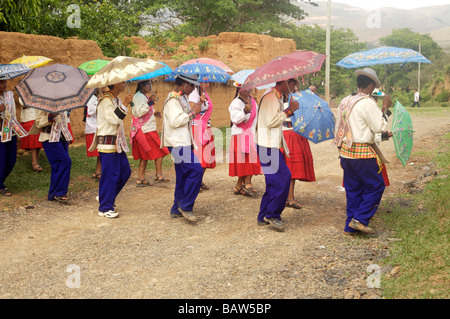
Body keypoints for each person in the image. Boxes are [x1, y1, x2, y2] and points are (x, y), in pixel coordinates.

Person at [333, 68, 393, 236]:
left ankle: (350, 225)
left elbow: (339, 127)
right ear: (372, 85)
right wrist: (385, 109)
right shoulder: (367, 102)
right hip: (362, 154)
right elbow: (379, 127)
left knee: (353, 189)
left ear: (358, 84)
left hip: (346, 152)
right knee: (376, 186)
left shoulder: (345, 100)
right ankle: (359, 219)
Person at [255, 78, 300, 231]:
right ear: (285, 82)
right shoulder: (271, 97)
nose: (293, 88)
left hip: (269, 145)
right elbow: (271, 121)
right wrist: (288, 111)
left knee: (273, 181)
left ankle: (263, 215)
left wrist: (288, 111)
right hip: (267, 146)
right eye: (293, 84)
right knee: (283, 178)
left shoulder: (275, 97)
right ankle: (272, 214)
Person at [161, 74, 203, 222]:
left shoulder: (182, 98)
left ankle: (176, 208)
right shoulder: (173, 100)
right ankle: (185, 205)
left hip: (182, 142)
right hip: (177, 144)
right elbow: (175, 121)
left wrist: (194, 110)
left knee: (183, 176)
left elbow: (185, 118)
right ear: (184, 84)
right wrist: (193, 112)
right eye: (192, 85)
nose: (193, 89)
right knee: (196, 170)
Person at [89, 82, 132, 218]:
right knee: (110, 175)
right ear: (114, 84)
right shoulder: (105, 101)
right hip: (107, 144)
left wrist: (123, 104)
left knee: (125, 172)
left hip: (117, 144)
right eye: (122, 82)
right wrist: (125, 104)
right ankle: (105, 208)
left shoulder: (115, 99)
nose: (124, 84)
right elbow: (114, 119)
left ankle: (105, 197)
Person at [282, 85, 316, 210]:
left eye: (297, 91)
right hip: (289, 136)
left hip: (295, 135)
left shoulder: (294, 104)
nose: (296, 93)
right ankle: (289, 198)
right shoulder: (285, 105)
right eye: (294, 91)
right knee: (291, 169)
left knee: (293, 169)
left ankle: (289, 196)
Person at [131, 80, 170, 187]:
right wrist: (149, 103)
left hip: (149, 129)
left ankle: (144, 178)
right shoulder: (138, 97)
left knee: (149, 154)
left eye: (150, 84)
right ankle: (152, 175)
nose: (150, 86)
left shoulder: (143, 96)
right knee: (158, 152)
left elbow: (146, 111)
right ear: (141, 85)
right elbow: (139, 112)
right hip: (145, 130)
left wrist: (154, 112)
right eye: (148, 84)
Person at [228, 81, 261, 197]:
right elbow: (235, 120)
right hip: (240, 134)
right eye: (246, 88)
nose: (249, 90)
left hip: (250, 134)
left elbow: (255, 119)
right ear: (240, 89)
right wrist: (245, 111)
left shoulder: (253, 101)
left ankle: (238, 186)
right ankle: (246, 182)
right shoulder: (236, 103)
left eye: (250, 88)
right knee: (244, 162)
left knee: (250, 160)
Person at [34, 109, 73, 203]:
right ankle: (60, 192)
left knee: (57, 166)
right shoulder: (43, 102)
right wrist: (49, 118)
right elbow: (38, 122)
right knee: (65, 161)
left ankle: (52, 194)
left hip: (62, 137)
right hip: (49, 137)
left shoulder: (63, 102)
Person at [0, 80, 28, 196]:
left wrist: (17, 130)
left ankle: (0, 181)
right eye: (1, 83)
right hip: (1, 134)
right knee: (2, 160)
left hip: (11, 132)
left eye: (5, 82)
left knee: (11, 160)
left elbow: (13, 114)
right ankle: (1, 186)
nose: (4, 85)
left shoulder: (9, 95)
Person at [189, 82, 216, 192]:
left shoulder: (203, 92)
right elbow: (191, 111)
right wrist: (200, 102)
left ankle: (198, 180)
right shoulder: (193, 94)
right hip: (197, 128)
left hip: (205, 127)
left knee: (205, 157)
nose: (208, 81)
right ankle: (193, 182)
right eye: (205, 79)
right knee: (199, 157)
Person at [19, 98, 43, 172]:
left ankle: (36, 161)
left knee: (37, 141)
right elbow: (22, 102)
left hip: (38, 117)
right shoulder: (24, 90)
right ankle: (34, 162)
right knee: (33, 141)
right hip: (30, 117)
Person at [84, 89, 102, 181]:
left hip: (96, 127)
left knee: (100, 152)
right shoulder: (91, 98)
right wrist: (98, 102)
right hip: (93, 128)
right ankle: (98, 172)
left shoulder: (95, 98)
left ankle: (98, 171)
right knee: (100, 151)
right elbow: (91, 112)